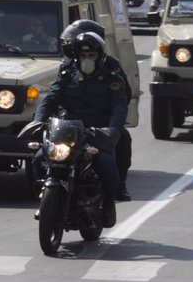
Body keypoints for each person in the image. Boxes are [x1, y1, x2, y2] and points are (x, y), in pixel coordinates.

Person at [33, 31, 128, 226]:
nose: (86, 60)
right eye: (83, 56)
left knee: (106, 164)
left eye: (91, 56)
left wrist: (112, 130)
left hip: (97, 131)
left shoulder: (111, 75)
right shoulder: (68, 73)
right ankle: (45, 197)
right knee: (38, 159)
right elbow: (50, 98)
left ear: (99, 56)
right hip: (68, 130)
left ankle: (109, 201)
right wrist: (38, 121)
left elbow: (120, 106)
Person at [59, 19, 134, 201]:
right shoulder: (68, 68)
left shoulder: (111, 67)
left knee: (122, 140)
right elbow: (54, 96)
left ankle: (118, 186)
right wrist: (42, 120)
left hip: (101, 124)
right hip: (72, 124)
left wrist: (112, 128)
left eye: (90, 54)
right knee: (43, 153)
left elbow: (123, 98)